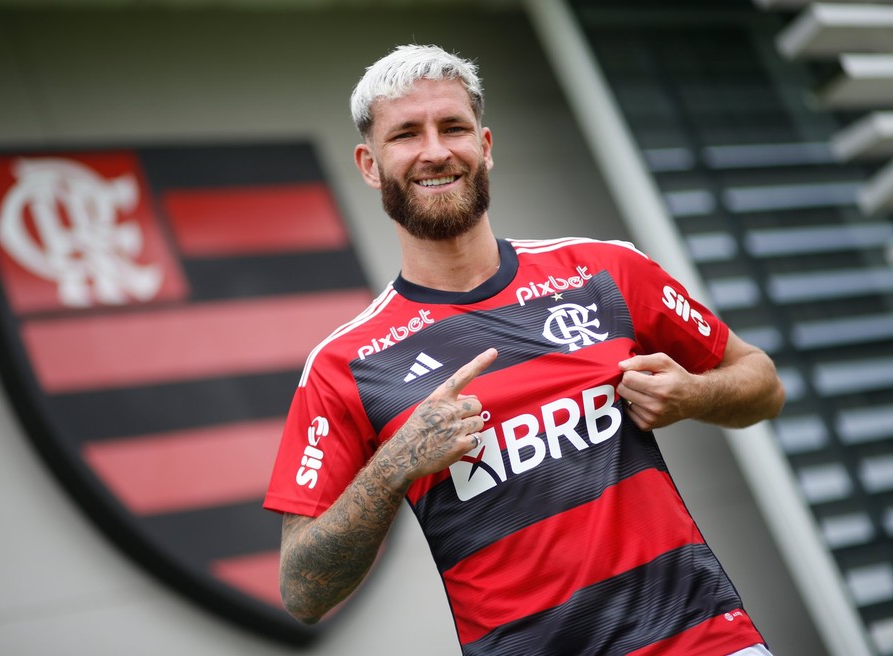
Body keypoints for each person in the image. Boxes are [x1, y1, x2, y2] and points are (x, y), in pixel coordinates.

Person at [263, 44, 786, 656]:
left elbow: (763, 384)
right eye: (406, 133)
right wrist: (392, 466)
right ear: (370, 164)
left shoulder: (605, 270)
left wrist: (694, 393)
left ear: (485, 145)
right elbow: (302, 592)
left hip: (700, 641)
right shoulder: (342, 365)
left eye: (452, 126)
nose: (435, 150)